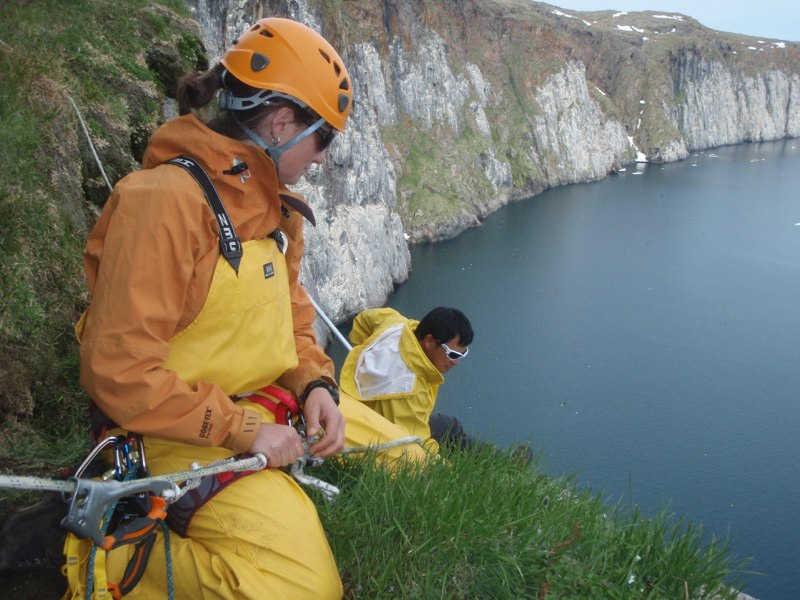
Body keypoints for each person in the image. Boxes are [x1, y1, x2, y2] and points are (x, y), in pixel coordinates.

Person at [65, 17, 389, 600]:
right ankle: (103, 561)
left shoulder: (278, 211)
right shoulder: (163, 204)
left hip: (253, 410)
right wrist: (244, 431)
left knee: (412, 458)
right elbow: (119, 373)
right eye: (324, 140)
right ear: (282, 124)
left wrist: (317, 385)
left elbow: (292, 320)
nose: (321, 160)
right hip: (173, 431)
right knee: (306, 590)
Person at [339, 306, 476, 453]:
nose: (456, 362)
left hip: (369, 403)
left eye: (463, 354)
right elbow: (418, 446)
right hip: (377, 430)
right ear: (429, 341)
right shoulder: (408, 390)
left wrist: (366, 349)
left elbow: (364, 319)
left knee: (451, 426)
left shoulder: (397, 325)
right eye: (453, 354)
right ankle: (491, 467)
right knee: (450, 432)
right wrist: (446, 470)